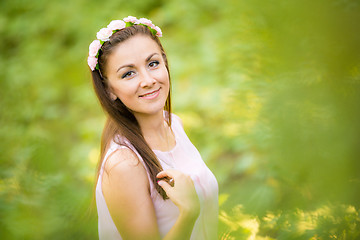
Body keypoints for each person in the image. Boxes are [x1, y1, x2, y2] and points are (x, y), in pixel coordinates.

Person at [87, 16, 218, 240]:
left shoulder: (174, 124)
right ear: (110, 90)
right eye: (128, 73)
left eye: (153, 63)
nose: (148, 80)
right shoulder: (124, 164)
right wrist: (189, 212)